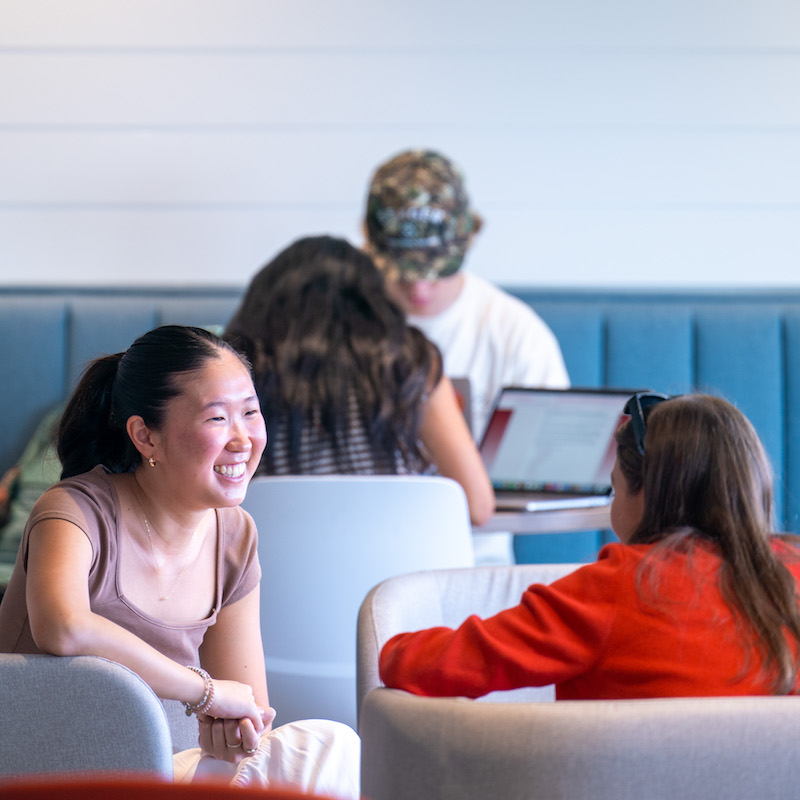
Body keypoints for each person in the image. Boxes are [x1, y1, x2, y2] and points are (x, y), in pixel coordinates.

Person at [0, 325, 359, 794]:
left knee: (332, 745)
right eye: (216, 419)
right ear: (145, 437)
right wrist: (205, 692)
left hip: (174, 771)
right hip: (49, 767)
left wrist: (231, 735)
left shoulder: (235, 534)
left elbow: (248, 719)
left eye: (250, 413)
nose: (243, 439)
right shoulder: (73, 510)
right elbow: (64, 627)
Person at [380, 393, 800, 699]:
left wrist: (391, 648)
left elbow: (426, 665)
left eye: (615, 489)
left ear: (643, 494)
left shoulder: (619, 586)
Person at [224, 235, 495, 527]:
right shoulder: (411, 363)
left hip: (271, 569)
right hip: (404, 569)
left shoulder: (235, 368)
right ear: (372, 301)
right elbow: (478, 506)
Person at [363, 148, 570, 440]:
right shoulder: (336, 329)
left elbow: (549, 455)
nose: (419, 287)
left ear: (471, 236)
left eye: (436, 270)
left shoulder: (517, 335)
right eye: (402, 272)